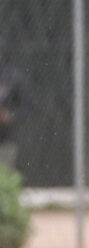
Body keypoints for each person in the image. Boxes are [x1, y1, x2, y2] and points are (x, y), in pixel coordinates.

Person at [0, 36, 29, 170]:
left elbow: (26, 106)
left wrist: (10, 116)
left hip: (6, 139)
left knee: (5, 174)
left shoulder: (13, 77)